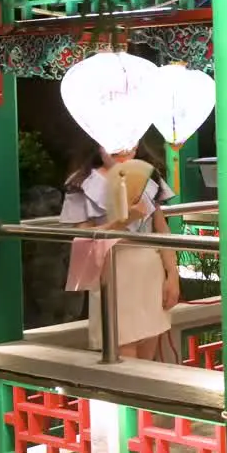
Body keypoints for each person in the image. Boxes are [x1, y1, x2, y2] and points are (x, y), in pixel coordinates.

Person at [61, 142, 180, 360]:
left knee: (148, 362)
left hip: (150, 270)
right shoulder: (82, 182)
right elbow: (84, 237)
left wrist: (172, 274)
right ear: (98, 144)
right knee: (123, 358)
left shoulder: (147, 175)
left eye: (129, 147)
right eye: (115, 148)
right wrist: (122, 221)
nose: (123, 154)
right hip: (113, 272)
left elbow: (162, 230)